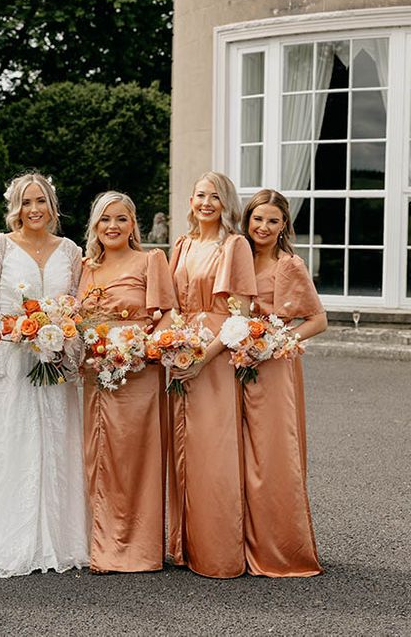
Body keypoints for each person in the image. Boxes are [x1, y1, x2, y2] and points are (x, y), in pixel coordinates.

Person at [0, 173, 89, 577]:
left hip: (56, 361)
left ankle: (62, 538)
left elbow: (79, 308)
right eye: (26, 202)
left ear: (52, 206)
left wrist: (68, 346)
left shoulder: (72, 251)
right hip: (12, 359)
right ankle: (8, 539)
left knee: (58, 438)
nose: (34, 209)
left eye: (42, 201)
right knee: (12, 440)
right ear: (15, 207)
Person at [78, 191, 175, 574]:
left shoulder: (151, 260)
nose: (112, 226)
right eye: (105, 219)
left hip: (138, 374)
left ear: (133, 224)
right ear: (95, 226)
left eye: (121, 219)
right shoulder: (87, 267)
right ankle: (101, 546)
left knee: (136, 460)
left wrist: (140, 349)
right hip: (95, 375)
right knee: (98, 458)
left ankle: (139, 549)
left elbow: (167, 315)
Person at [167, 171, 257, 578]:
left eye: (215, 197)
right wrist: (174, 345)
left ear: (226, 203)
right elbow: (168, 301)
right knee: (180, 447)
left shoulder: (235, 245)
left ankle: (217, 552)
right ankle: (184, 547)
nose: (206, 203)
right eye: (200, 195)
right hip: (181, 355)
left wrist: (205, 357)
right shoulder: (182, 244)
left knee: (213, 453)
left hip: (215, 360)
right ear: (190, 200)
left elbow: (241, 314)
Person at [241, 189, 325, 576]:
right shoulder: (236, 258)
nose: (264, 227)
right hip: (235, 364)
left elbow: (317, 320)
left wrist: (276, 343)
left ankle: (279, 546)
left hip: (273, 369)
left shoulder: (290, 265)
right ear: (247, 220)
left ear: (284, 226)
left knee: (272, 453)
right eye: (258, 219)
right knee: (237, 454)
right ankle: (238, 540)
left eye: (273, 221)